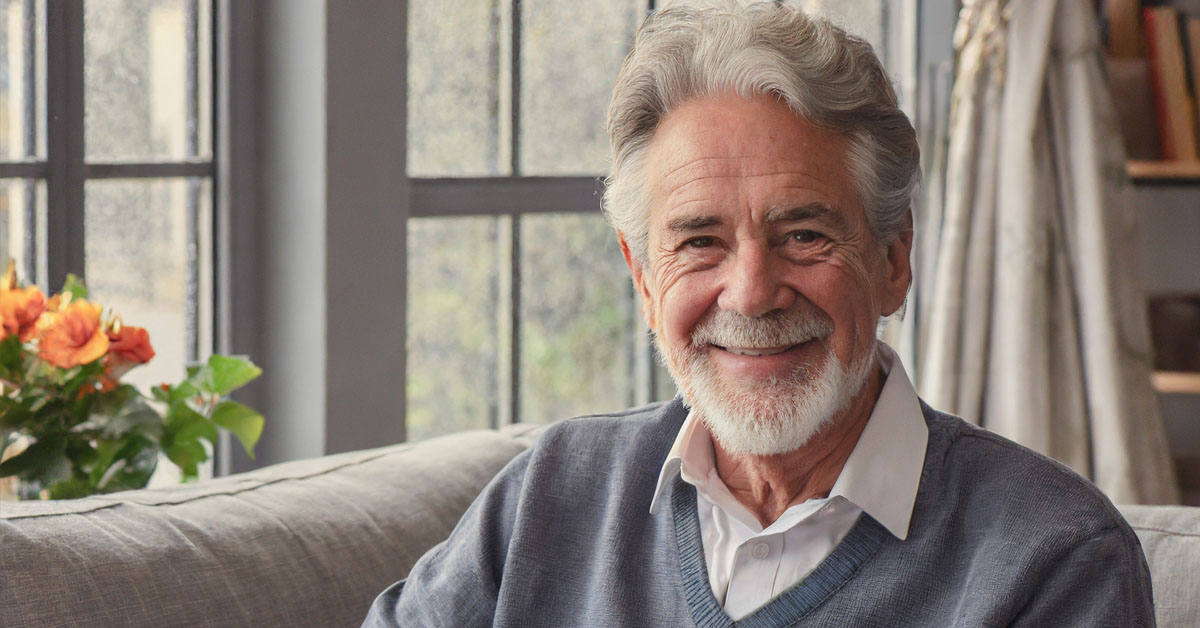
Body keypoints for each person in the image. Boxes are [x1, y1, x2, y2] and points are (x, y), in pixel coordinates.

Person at [364, 2, 1154, 626]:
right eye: (700, 242)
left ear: (893, 260)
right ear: (643, 279)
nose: (750, 292)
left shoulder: (1054, 559)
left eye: (804, 235)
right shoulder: (549, 497)